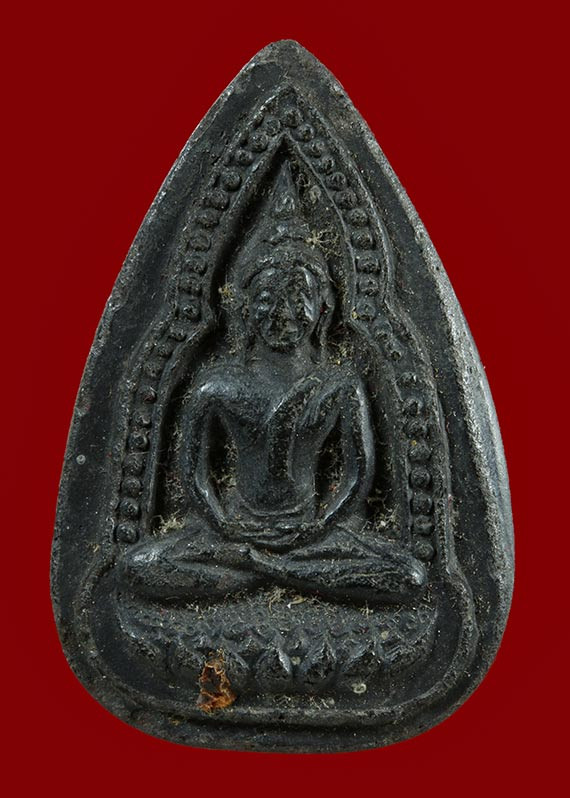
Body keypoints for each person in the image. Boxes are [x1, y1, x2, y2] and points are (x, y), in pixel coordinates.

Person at [120, 163, 426, 606]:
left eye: (298, 298)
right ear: (244, 309)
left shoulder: (338, 384)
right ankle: (282, 573)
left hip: (312, 535)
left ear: (322, 309)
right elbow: (193, 475)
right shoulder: (216, 386)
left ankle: (266, 570)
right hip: (234, 533)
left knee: (409, 576)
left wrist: (320, 525)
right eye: (267, 299)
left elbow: (357, 474)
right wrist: (225, 526)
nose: (283, 313)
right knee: (137, 567)